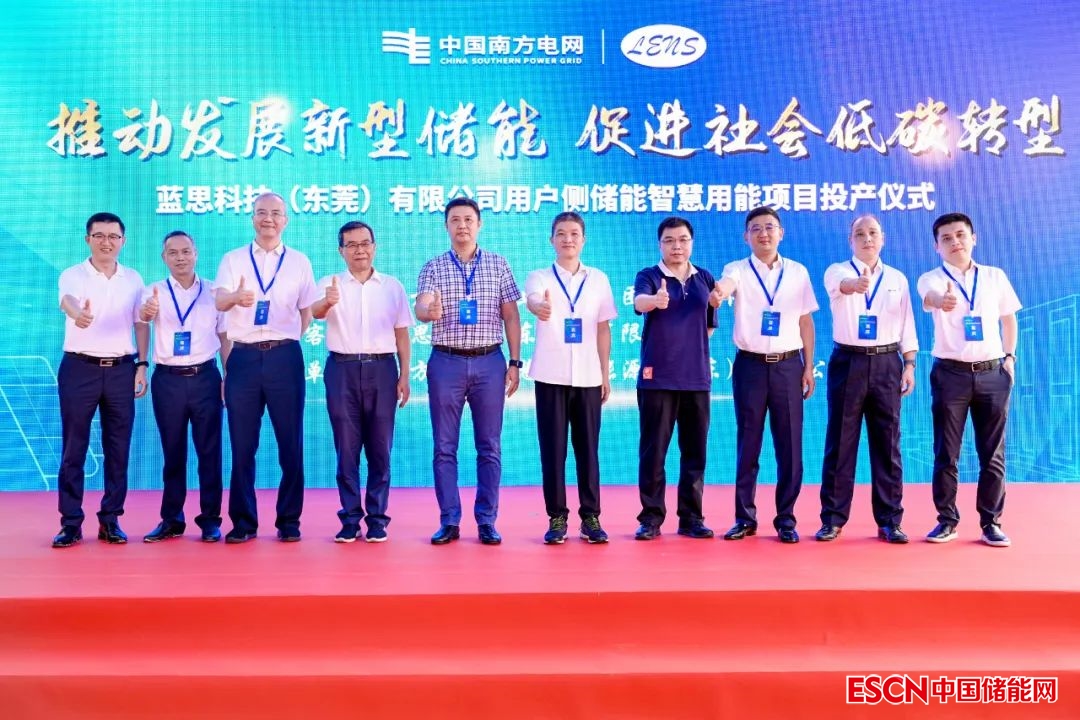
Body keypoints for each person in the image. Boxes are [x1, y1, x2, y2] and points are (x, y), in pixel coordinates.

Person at [414, 197, 522, 546]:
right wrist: (428, 312)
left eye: (468, 219)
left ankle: (487, 520)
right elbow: (421, 307)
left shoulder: (498, 264)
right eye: (455, 220)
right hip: (446, 362)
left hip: (490, 361)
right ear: (446, 225)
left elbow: (511, 315)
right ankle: (449, 520)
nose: (462, 225)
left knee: (489, 446)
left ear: (479, 224)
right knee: (444, 446)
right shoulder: (433, 267)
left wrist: (515, 362)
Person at [214, 192, 319, 543]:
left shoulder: (299, 262)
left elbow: (306, 312)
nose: (268, 219)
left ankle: (289, 521)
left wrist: (284, 339)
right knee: (242, 445)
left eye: (275, 213)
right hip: (243, 357)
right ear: (252, 218)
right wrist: (236, 298)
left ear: (285, 220)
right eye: (261, 212)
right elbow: (219, 300)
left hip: (284, 357)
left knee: (291, 443)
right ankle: (243, 522)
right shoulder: (233, 260)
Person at [713, 207, 818, 544]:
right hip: (750, 367)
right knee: (748, 445)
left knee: (790, 447)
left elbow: (805, 321)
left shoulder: (798, 272)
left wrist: (808, 366)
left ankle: (786, 519)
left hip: (789, 366)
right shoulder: (737, 269)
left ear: (781, 233)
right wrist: (719, 292)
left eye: (770, 227)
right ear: (746, 236)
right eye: (755, 228)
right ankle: (745, 518)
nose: (763, 234)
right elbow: (727, 285)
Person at [917, 212, 1020, 547]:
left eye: (960, 235)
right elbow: (930, 298)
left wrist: (1009, 358)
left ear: (973, 238)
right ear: (937, 246)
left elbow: (1008, 320)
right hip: (951, 374)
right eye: (946, 238)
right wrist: (942, 301)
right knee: (946, 453)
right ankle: (946, 521)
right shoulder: (931, 278)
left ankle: (991, 522)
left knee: (993, 454)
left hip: (992, 373)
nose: (955, 242)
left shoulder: (994, 276)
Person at [816, 215, 918, 544]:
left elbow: (906, 323)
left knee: (888, 444)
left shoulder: (897, 278)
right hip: (849, 361)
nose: (867, 238)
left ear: (882, 238)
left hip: (888, 362)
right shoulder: (837, 271)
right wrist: (855, 285)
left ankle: (890, 520)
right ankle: (833, 519)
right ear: (851, 241)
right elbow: (842, 286)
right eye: (859, 234)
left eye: (873, 233)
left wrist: (909, 364)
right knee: (841, 442)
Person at [311, 221, 413, 544]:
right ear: (341, 250)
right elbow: (314, 312)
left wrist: (404, 374)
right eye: (352, 245)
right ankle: (350, 519)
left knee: (381, 448)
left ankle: (378, 519)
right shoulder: (330, 283)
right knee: (347, 448)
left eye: (365, 243)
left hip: (383, 369)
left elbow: (401, 333)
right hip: (341, 369)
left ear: (374, 247)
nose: (360, 250)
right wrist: (328, 302)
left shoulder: (392, 286)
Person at [53, 212, 149, 548]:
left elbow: (140, 323)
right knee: (74, 447)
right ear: (88, 239)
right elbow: (68, 300)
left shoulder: (133, 279)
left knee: (118, 447)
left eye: (113, 236)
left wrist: (142, 365)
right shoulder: (73, 274)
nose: (106, 242)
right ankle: (70, 522)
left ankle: (110, 519)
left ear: (123, 241)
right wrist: (78, 314)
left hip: (122, 369)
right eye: (99, 236)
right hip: (80, 368)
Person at [524, 212, 616, 544]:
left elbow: (602, 328)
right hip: (551, 375)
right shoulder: (539, 277)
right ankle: (557, 517)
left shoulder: (599, 279)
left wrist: (605, 373)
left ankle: (590, 517)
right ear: (552, 240)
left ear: (583, 239)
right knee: (553, 450)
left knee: (588, 450)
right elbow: (533, 299)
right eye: (561, 234)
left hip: (589, 376)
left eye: (574, 233)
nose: (568, 239)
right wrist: (539, 307)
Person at [631, 216, 723, 541]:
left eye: (683, 240)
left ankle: (691, 518)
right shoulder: (649, 275)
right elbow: (639, 302)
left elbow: (709, 326)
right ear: (660, 245)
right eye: (669, 240)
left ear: (691, 243)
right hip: (657, 379)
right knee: (653, 451)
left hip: (696, 379)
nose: (676, 246)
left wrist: (688, 348)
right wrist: (655, 302)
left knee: (695, 451)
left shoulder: (705, 278)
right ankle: (651, 518)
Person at [139, 231, 230, 544]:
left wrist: (228, 376)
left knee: (210, 453)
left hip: (206, 378)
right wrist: (147, 313)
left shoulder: (214, 292)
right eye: (173, 253)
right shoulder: (153, 291)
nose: (180, 258)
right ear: (164, 257)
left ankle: (211, 520)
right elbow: (142, 319)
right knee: (173, 453)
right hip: (168, 380)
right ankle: (171, 520)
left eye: (186, 251)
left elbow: (224, 337)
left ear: (196, 253)